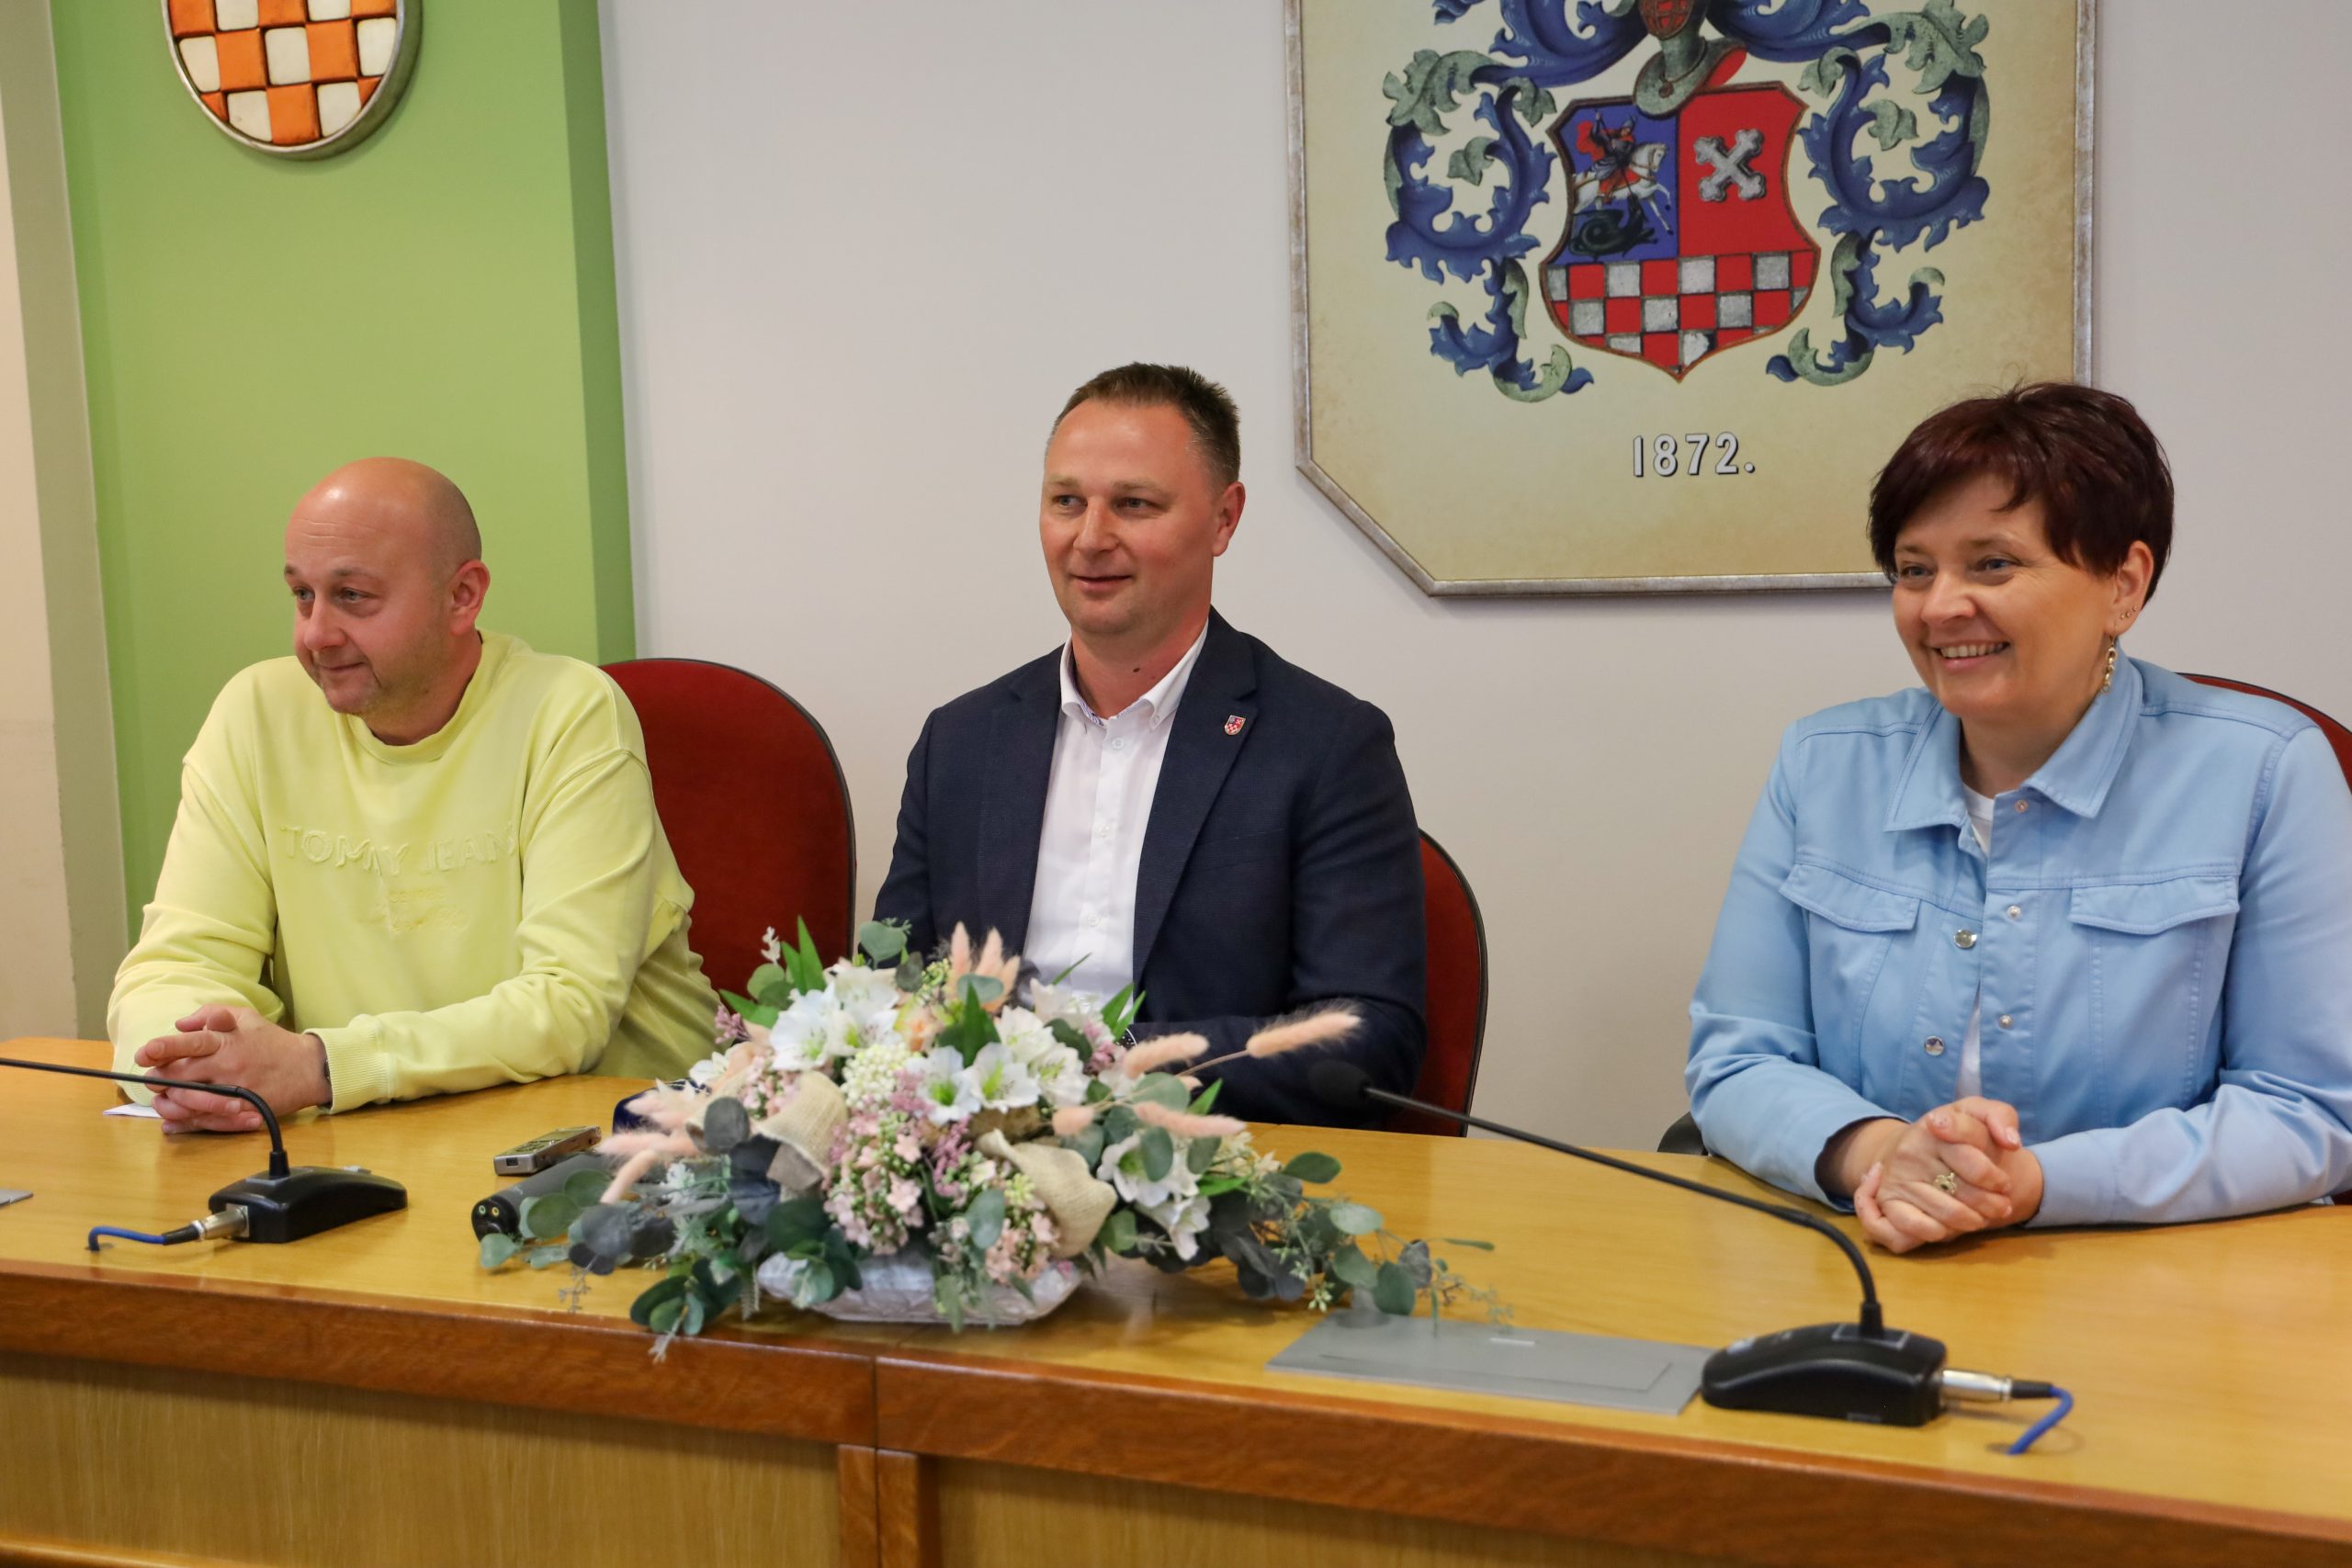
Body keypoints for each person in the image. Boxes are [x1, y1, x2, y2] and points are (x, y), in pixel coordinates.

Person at [1687, 383, 2352, 1250]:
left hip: (2153, 1276)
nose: (1939, 606)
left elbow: (2311, 1109)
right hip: (1873, 1256)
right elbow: (1739, 1058)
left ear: (2124, 585)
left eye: (1992, 564)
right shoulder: (1823, 763)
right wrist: (1882, 1154)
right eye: (1914, 569)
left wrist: (2035, 1183)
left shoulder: (2265, 770)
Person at [875, 363, 1426, 1125]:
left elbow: (1368, 1038)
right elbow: (888, 985)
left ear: (1224, 519)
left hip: (1207, 1159)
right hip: (980, 1160)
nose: (1091, 538)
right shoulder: (961, 742)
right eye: (1067, 501)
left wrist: (1087, 1062)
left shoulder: (1327, 745)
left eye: (1134, 504)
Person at [107, 457, 718, 1133]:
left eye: (352, 596)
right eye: (302, 594)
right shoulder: (256, 712)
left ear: (462, 596)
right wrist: (192, 1068)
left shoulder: (570, 712)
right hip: (367, 1127)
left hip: (616, 1141)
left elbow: (566, 1007)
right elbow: (176, 963)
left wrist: (319, 1066)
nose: (315, 634)